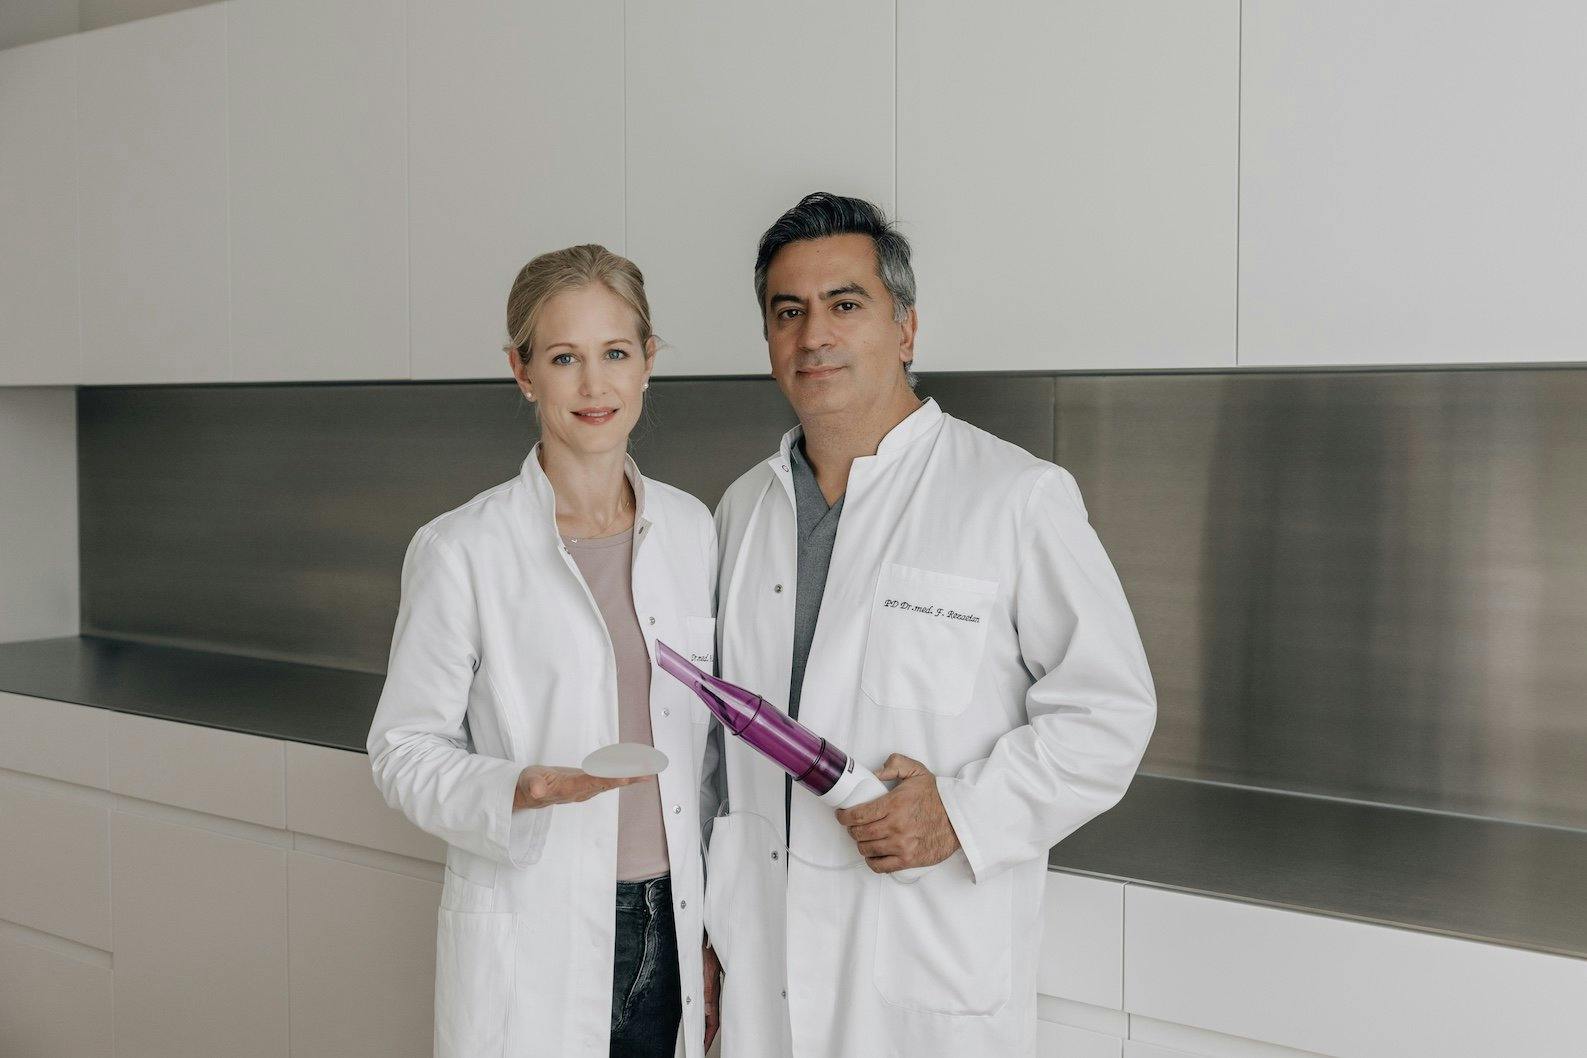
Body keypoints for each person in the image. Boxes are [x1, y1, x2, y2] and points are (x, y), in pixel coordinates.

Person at [701, 193, 1158, 1056]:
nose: (813, 335)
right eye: (788, 312)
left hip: (918, 959)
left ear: (905, 329)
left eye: (845, 304)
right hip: (761, 959)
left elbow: (1109, 712)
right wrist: (703, 923)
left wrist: (962, 812)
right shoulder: (742, 509)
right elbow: (716, 751)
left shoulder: (1011, 496)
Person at [369, 245, 721, 1058]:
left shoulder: (692, 529)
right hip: (538, 926)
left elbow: (709, 757)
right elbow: (401, 749)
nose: (594, 385)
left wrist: (715, 928)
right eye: (564, 358)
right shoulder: (462, 549)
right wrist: (515, 788)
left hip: (673, 920)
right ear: (522, 372)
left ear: (648, 362)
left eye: (615, 353)